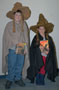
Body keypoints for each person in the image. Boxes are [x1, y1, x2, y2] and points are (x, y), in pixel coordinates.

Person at [2, 2, 31, 89]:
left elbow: (26, 38)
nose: (18, 16)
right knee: (12, 64)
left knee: (20, 63)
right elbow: (6, 38)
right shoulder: (9, 25)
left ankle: (18, 78)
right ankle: (10, 79)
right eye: (16, 15)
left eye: (19, 15)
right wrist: (15, 42)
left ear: (21, 16)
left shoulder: (24, 24)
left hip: (21, 46)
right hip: (12, 47)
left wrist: (25, 47)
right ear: (13, 16)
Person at [27, 14, 58, 85]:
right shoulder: (36, 37)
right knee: (39, 68)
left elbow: (52, 48)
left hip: (46, 56)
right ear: (37, 29)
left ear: (45, 29)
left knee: (44, 68)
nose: (41, 30)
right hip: (38, 57)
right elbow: (32, 48)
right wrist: (38, 48)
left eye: (43, 28)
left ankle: (42, 79)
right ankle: (39, 80)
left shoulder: (49, 38)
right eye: (40, 29)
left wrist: (49, 49)